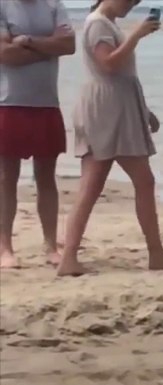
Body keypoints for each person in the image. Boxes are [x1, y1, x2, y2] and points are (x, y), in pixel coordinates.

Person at [57, 0, 163, 277]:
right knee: (138, 181)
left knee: (94, 185)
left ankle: (70, 257)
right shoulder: (98, 23)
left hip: (115, 106)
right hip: (107, 111)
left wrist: (143, 110)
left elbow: (119, 72)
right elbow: (109, 64)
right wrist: (137, 34)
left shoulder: (104, 22)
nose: (132, 5)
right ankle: (155, 252)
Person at [0, 0, 75, 270]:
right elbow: (5, 55)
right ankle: (5, 247)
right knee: (7, 178)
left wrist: (27, 41)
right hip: (8, 103)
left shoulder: (53, 5)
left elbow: (69, 45)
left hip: (46, 103)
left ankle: (50, 244)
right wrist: (48, 47)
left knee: (46, 178)